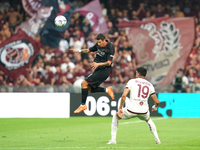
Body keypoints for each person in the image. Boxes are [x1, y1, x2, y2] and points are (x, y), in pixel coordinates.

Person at [107, 67, 161, 145]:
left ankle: (113, 140)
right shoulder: (150, 85)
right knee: (149, 120)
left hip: (131, 110)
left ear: (138, 73)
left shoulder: (132, 81)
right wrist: (155, 107)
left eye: (136, 72)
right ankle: (157, 140)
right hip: (144, 111)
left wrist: (120, 108)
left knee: (116, 116)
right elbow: (157, 101)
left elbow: (124, 96)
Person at [70, 33, 115, 114]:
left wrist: (98, 64)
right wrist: (79, 51)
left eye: (100, 42)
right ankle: (107, 90)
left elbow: (109, 63)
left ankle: (83, 105)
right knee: (88, 89)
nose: (99, 44)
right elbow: (89, 50)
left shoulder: (110, 47)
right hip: (98, 70)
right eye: (98, 42)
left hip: (104, 70)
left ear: (104, 40)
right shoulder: (98, 45)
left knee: (83, 84)